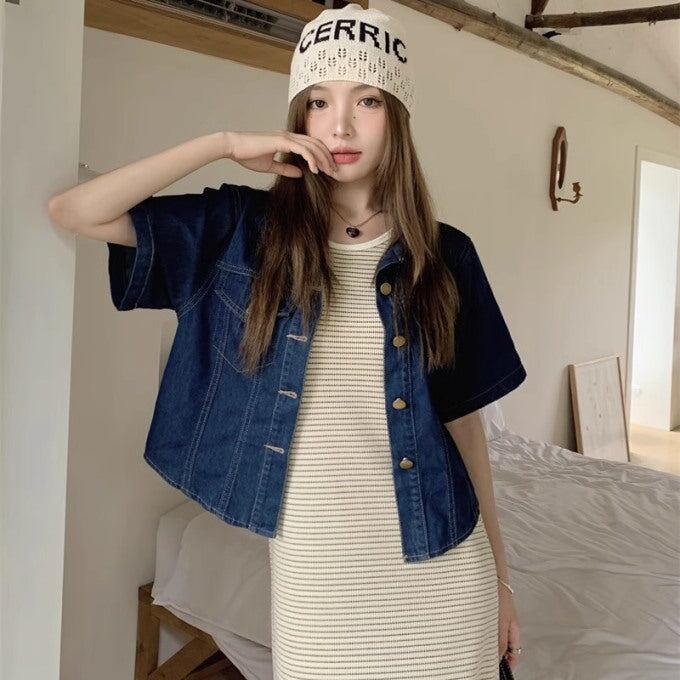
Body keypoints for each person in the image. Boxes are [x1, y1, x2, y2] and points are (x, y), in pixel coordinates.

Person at [48, 4, 526, 677]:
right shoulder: (242, 233)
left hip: (444, 578)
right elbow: (74, 210)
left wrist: (501, 581)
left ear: (397, 116)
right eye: (319, 101)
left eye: (367, 100)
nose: (341, 125)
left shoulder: (446, 256)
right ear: (299, 117)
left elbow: (465, 427)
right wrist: (222, 143)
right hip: (317, 586)